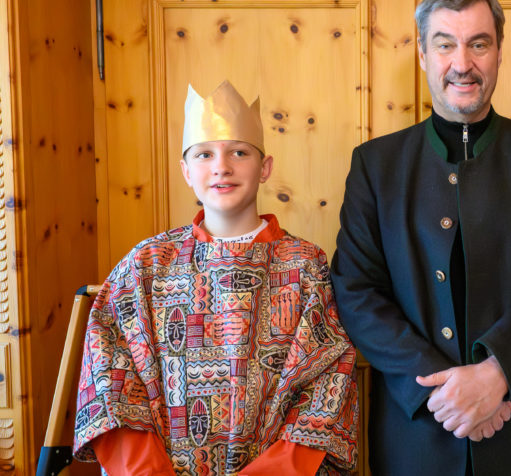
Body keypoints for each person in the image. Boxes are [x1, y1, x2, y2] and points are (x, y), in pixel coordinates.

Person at [330, 0, 511, 474]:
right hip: (417, 435)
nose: (462, 63)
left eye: (478, 44)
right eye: (445, 45)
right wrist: (445, 392)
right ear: (422, 54)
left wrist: (497, 372)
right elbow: (356, 291)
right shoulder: (375, 166)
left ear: (499, 51)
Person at [73, 80, 358, 476]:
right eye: (204, 154)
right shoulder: (146, 265)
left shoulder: (305, 266)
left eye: (239, 152)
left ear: (265, 167)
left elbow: (326, 377)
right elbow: (110, 374)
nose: (222, 166)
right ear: (186, 171)